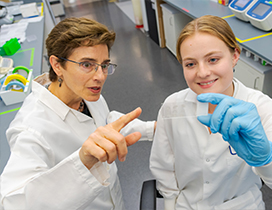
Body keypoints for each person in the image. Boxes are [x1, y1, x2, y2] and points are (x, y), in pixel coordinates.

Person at [150, 15, 272, 209]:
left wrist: (268, 157)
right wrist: (170, 204)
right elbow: (163, 166)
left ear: (235, 55)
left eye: (213, 59)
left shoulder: (264, 109)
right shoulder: (172, 106)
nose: (202, 73)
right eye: (190, 64)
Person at [0, 17, 155, 209]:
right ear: (57, 65)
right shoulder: (31, 129)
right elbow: (12, 203)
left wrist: (153, 129)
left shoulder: (85, 93)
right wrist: (82, 162)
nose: (100, 76)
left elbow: (104, 123)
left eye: (104, 65)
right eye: (86, 64)